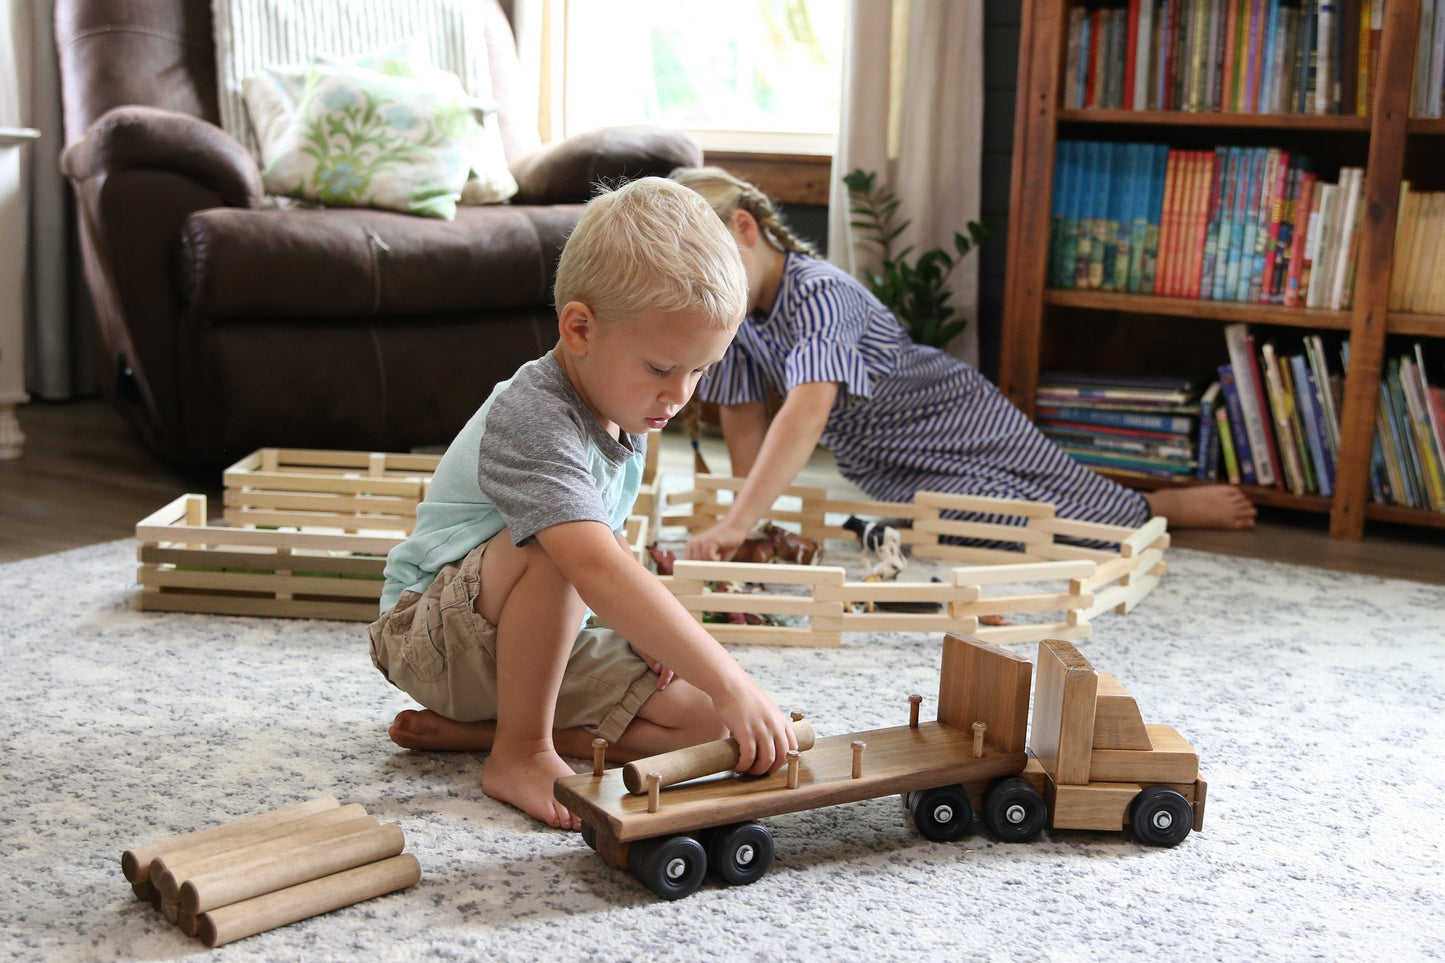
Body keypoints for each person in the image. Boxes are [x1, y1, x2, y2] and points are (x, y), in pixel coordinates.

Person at [368, 176, 797, 830]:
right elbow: (592, 562)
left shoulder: (627, 404)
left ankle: (487, 732)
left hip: (526, 635)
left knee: (717, 728)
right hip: (431, 635)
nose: (680, 395)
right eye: (662, 368)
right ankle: (520, 750)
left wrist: (676, 653)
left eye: (700, 370)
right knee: (560, 549)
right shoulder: (533, 415)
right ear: (579, 329)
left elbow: (610, 547)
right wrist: (728, 675)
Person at [670, 166, 1257, 565]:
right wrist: (748, 521)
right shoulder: (735, 315)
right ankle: (1126, 510)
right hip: (885, 460)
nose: (710, 285)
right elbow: (743, 417)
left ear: (744, 228)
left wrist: (736, 523)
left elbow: (806, 411)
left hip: (951, 415)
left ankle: (1156, 506)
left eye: (714, 265)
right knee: (967, 528)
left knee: (1065, 510)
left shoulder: (820, 292)